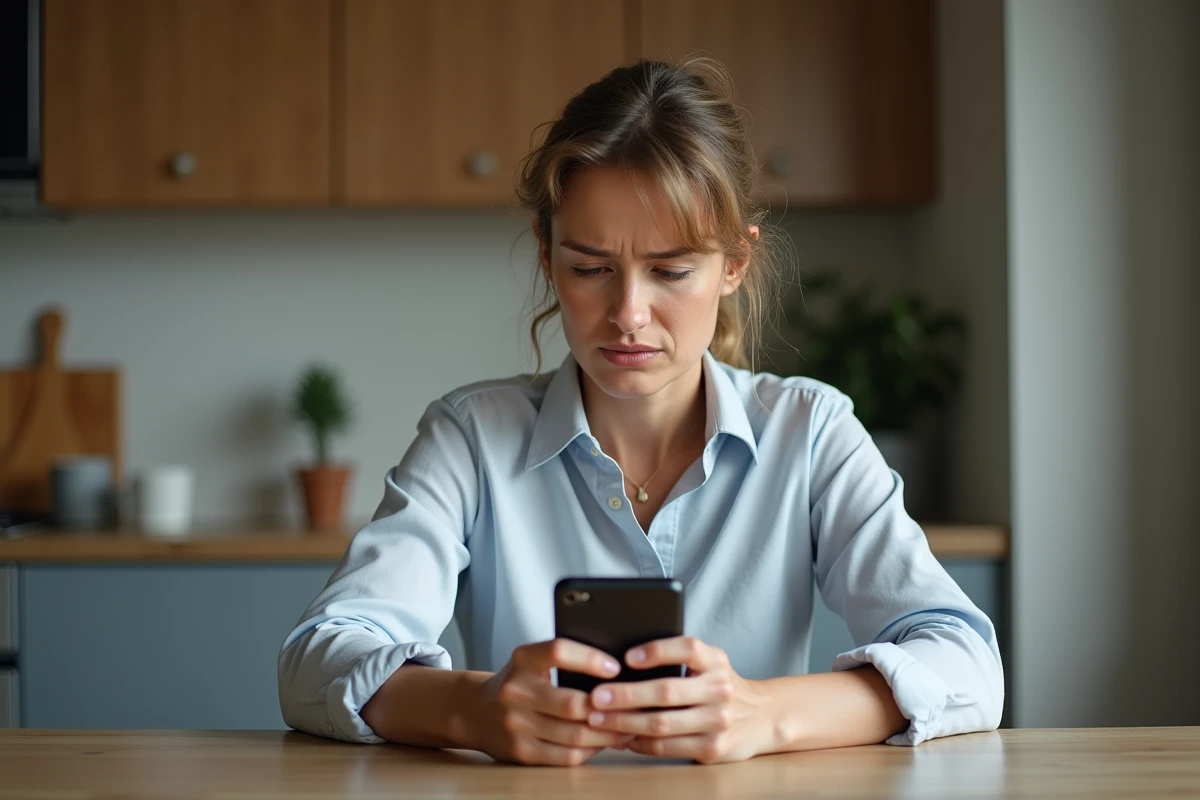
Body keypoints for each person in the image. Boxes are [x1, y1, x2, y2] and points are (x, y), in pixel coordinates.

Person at [278, 58, 1003, 766]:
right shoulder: (471, 436)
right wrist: (474, 709)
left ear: (735, 265)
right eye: (590, 268)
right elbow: (317, 660)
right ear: (546, 255)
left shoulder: (810, 432)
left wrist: (766, 715)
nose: (627, 313)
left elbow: (968, 663)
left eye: (671, 270)